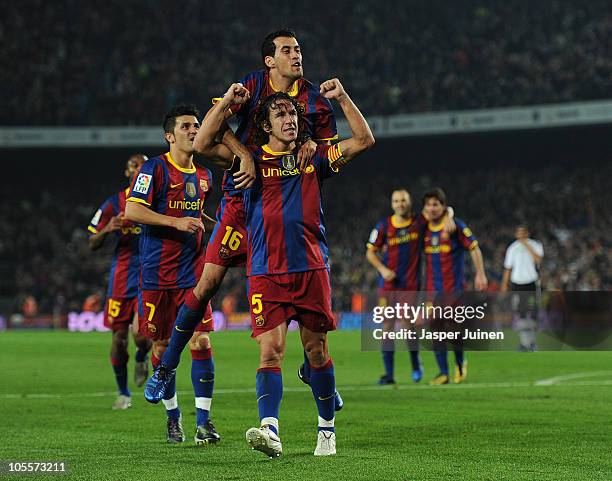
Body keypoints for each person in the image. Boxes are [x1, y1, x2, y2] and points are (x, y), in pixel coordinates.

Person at [151, 28, 342, 410]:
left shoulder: (317, 101)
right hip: (242, 202)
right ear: (270, 61)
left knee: (304, 293)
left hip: (284, 204)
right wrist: (244, 154)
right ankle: (167, 365)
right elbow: (206, 140)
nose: (296, 55)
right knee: (207, 284)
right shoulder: (251, 87)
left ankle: (314, 365)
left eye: (298, 49)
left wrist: (310, 144)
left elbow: (327, 148)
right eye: (287, 50)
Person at [196, 79, 373, 456]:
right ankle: (269, 430)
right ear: (265, 124)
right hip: (265, 271)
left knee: (316, 351)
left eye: (292, 112)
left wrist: (341, 97)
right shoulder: (250, 162)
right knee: (270, 350)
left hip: (310, 268)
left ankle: (327, 431)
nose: (290, 118)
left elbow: (363, 140)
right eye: (280, 113)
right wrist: (228, 100)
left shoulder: (313, 158)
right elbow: (202, 143)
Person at [124, 104, 238, 445]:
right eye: (187, 126)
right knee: (161, 345)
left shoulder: (203, 175)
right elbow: (132, 209)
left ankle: (204, 422)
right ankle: (173, 417)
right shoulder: (154, 169)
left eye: (197, 125)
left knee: (201, 342)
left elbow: (199, 216)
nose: (194, 130)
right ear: (170, 136)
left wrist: (225, 234)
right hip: (157, 275)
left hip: (193, 275)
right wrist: (174, 222)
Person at [367, 189, 455, 384]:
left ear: (409, 202)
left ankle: (415, 363)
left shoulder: (418, 221)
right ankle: (389, 374)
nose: (400, 204)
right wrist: (383, 270)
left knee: (408, 327)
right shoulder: (383, 226)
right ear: (392, 204)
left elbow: (439, 210)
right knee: (387, 327)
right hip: (388, 286)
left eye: (403, 200)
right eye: (396, 201)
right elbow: (370, 253)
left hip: (410, 286)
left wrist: (449, 213)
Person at [88, 154, 152, 410]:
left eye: (142, 166)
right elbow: (91, 241)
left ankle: (142, 356)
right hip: (121, 279)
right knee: (118, 340)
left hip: (147, 277)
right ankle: (123, 393)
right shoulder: (114, 203)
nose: (138, 169)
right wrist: (107, 229)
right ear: (127, 172)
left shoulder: (156, 200)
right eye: (133, 166)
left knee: (141, 335)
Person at [422, 187, 488, 385]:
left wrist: (480, 273)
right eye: (429, 205)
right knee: (435, 330)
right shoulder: (423, 227)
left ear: (443, 206)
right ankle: (443, 372)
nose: (432, 208)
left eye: (436, 204)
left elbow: (474, 248)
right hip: (432, 292)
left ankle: (460, 362)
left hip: (455, 290)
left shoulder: (455, 226)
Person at [501, 224, 543, 351]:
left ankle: (533, 342)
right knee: (521, 313)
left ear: (527, 233)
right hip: (517, 283)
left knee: (533, 312)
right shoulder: (512, 248)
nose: (520, 235)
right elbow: (508, 268)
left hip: (531, 282)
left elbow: (538, 260)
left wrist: (526, 245)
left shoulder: (535, 245)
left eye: (523, 232)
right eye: (518, 233)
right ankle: (525, 343)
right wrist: (504, 285)